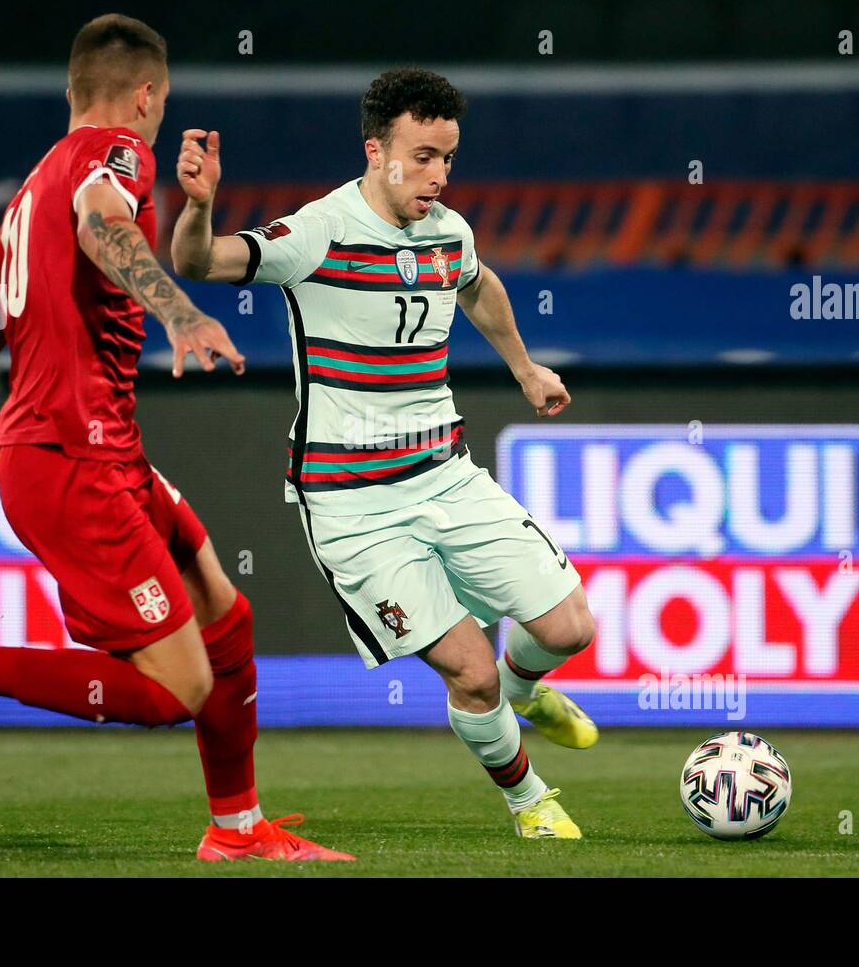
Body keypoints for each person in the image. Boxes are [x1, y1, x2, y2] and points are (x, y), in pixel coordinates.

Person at [0, 13, 351, 862]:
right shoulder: (116, 158)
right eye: (161, 103)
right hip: (72, 463)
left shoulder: (26, 202)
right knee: (179, 686)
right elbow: (105, 220)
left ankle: (238, 830)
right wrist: (178, 311)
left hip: (87, 454)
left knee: (225, 614)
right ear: (145, 96)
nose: (159, 118)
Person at [169, 67, 598, 839]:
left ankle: (525, 689)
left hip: (445, 474)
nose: (437, 176)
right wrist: (199, 210)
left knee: (570, 627)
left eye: (449, 159)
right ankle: (530, 801)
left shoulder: (448, 232)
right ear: (376, 150)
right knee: (467, 670)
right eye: (423, 156)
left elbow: (476, 287)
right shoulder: (318, 232)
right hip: (354, 506)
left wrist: (526, 368)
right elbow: (200, 265)